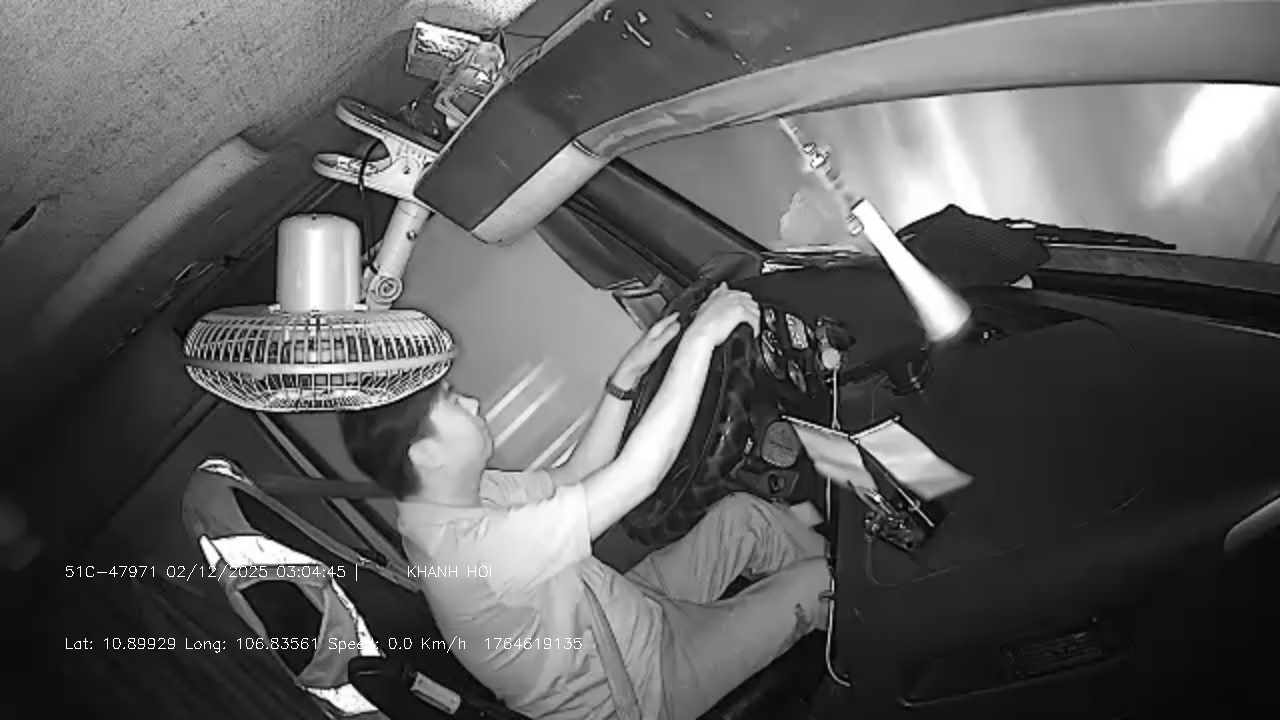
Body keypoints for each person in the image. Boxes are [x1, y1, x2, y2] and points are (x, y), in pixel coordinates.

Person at [341, 284, 836, 720]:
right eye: (450, 400)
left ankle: (859, 568)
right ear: (424, 453)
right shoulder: (471, 553)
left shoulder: (458, 502)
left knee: (741, 519)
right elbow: (636, 478)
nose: (471, 402)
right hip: (644, 689)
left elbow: (578, 475)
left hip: (626, 611)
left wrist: (625, 379)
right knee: (823, 585)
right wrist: (701, 339)